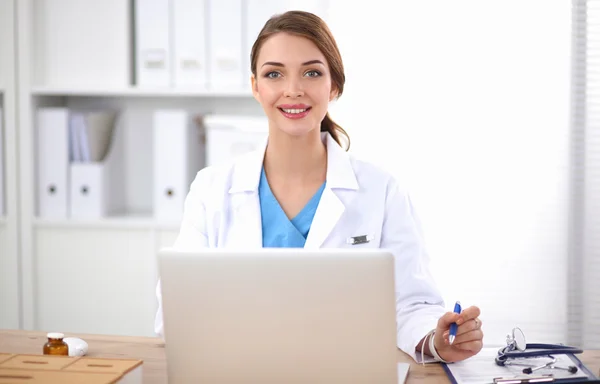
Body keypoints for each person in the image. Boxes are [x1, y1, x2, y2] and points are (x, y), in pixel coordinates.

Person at [154, 10, 484, 363]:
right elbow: (176, 311)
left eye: (312, 72)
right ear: (255, 86)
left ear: (334, 86)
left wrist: (436, 340)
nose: (293, 90)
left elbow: (411, 304)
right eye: (274, 74)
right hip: (240, 368)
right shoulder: (212, 189)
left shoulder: (381, 191)